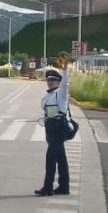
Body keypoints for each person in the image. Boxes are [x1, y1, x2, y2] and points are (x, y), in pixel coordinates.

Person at [35, 57, 71, 197]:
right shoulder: (47, 96)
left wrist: (65, 69)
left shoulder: (61, 94)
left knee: (50, 159)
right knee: (61, 159)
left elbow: (66, 83)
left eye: (53, 80)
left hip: (58, 128)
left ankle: (48, 187)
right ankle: (64, 186)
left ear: (58, 81)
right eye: (48, 80)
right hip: (50, 128)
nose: (50, 82)